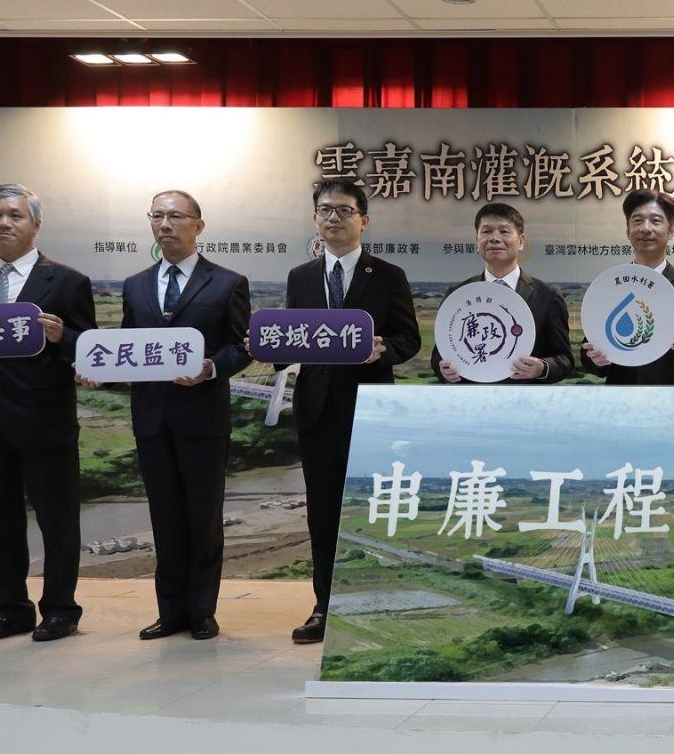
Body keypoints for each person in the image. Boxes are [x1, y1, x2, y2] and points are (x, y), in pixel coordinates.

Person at [0, 184, 95, 643]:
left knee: (57, 521)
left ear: (35, 224)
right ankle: (10, 610)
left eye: (14, 215)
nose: (3, 222)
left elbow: (88, 349)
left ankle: (61, 610)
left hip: (45, 418)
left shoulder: (67, 281)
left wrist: (62, 338)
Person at [280, 179, 421, 645]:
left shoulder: (388, 275)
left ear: (364, 220)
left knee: (371, 509)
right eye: (325, 210)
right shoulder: (301, 277)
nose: (333, 218)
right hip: (317, 411)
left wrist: (383, 350)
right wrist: (268, 346)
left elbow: (408, 339)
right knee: (322, 513)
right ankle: (325, 604)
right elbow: (293, 339)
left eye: (343, 210)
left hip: (371, 408)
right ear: (314, 218)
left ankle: (376, 601)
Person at [119, 190, 251, 641]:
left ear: (198, 224)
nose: (165, 224)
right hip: (151, 418)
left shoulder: (228, 282)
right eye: (157, 216)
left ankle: (202, 611)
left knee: (204, 516)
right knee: (164, 516)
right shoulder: (135, 285)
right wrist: (99, 370)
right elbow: (127, 349)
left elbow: (240, 347)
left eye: (175, 216)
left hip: (203, 417)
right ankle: (170, 611)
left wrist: (211, 367)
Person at [581, 189, 674, 385]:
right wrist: (595, 360)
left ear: (671, 230)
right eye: (637, 221)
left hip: (671, 397)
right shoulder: (610, 284)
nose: (645, 228)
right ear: (628, 231)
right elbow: (588, 353)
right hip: (619, 396)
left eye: (655, 221)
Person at [432, 203, 573, 384]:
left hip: (525, 398)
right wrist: (442, 369)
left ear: (521, 241)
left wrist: (542, 368)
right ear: (477, 241)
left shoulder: (548, 296)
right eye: (486, 232)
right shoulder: (457, 294)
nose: (494, 238)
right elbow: (439, 354)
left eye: (504, 231)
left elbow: (564, 359)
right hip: (471, 397)